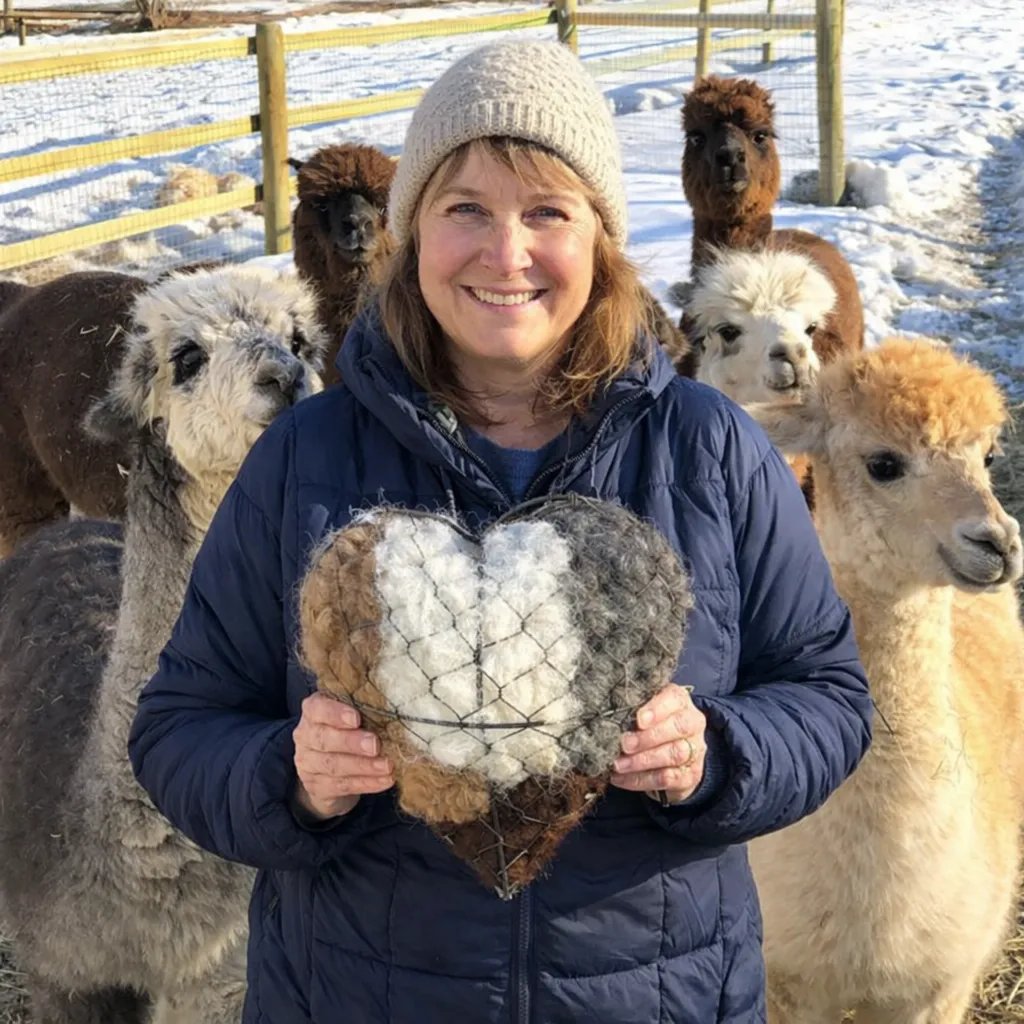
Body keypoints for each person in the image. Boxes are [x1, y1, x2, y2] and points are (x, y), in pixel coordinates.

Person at [129, 38, 872, 1023]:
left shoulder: (711, 450)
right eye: (466, 209)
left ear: (600, 236)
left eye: (547, 212)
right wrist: (289, 778)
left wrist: (719, 753)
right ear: (412, 233)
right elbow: (179, 729)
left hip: (657, 996)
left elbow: (828, 697)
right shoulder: (305, 458)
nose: (506, 253)